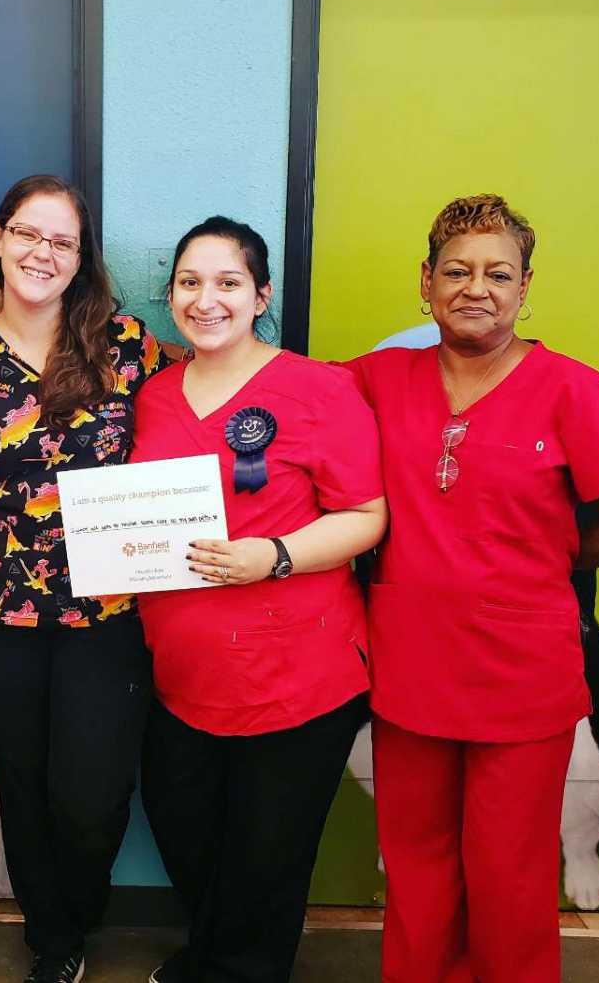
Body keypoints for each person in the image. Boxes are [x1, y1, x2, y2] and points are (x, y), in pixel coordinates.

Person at [346, 194, 599, 983]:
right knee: (419, 871)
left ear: (525, 287)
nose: (478, 287)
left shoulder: (573, 389)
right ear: (425, 282)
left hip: (523, 676)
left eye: (499, 273)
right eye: (458, 270)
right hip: (409, 669)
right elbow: (272, 394)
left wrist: (550, 556)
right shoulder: (376, 379)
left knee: (509, 877)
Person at [129, 216, 387, 983]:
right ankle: (212, 955)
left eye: (228, 282)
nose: (206, 299)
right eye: (190, 283)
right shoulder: (152, 396)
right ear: (171, 294)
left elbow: (366, 516)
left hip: (298, 676)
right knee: (186, 831)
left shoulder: (319, 389)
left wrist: (273, 556)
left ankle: (240, 970)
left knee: (266, 859)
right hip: (181, 677)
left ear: (262, 293)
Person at [0, 175, 165, 983]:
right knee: (24, 784)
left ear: (81, 256)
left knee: (92, 796)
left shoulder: (127, 344)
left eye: (63, 241)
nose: (44, 253)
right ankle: (53, 941)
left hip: (110, 610)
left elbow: (170, 458)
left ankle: (83, 907)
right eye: (29, 234)